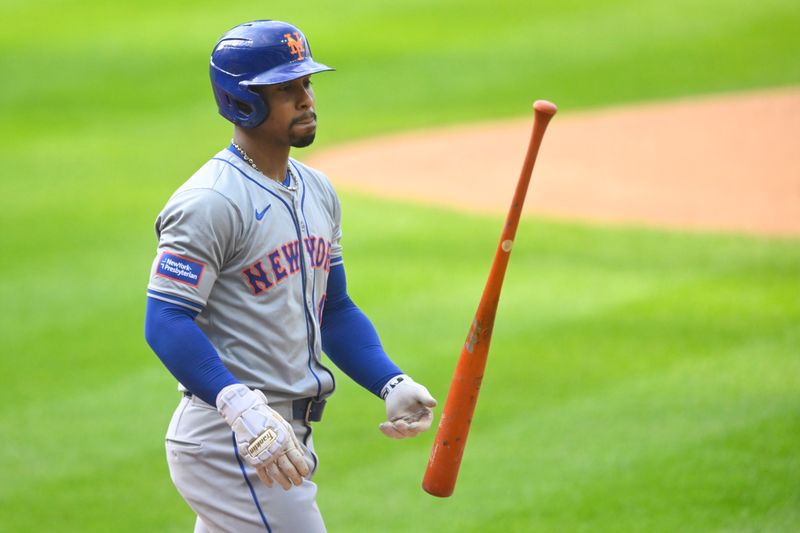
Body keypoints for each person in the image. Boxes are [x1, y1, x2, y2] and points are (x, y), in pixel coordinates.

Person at [144, 20, 437, 533]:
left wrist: (387, 379)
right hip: (231, 439)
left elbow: (335, 309)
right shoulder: (210, 202)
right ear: (242, 102)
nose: (306, 99)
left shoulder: (317, 189)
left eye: (306, 83)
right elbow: (166, 319)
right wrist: (241, 409)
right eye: (286, 89)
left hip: (282, 436)